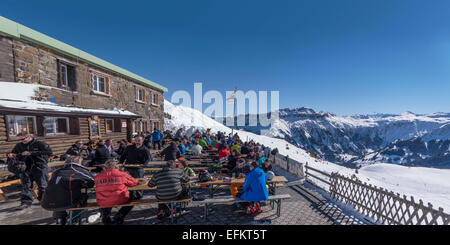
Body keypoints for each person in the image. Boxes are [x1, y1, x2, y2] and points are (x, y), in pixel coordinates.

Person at [41, 155, 95, 225]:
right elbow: (92, 181)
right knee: (82, 196)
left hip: (47, 202)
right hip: (68, 202)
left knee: (59, 194)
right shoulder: (77, 169)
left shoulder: (56, 171)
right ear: (78, 162)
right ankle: (74, 219)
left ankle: (60, 219)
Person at [8, 133, 53, 209]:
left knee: (42, 185)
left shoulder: (39, 144)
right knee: (26, 185)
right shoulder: (19, 145)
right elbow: (15, 153)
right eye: (20, 139)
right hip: (25, 167)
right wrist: (11, 154)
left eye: (23, 138)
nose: (22, 141)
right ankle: (25, 202)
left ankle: (44, 200)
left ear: (30, 137)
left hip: (39, 166)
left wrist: (31, 153)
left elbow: (49, 152)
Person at [94, 159, 139, 225]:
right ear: (117, 166)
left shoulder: (98, 176)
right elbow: (134, 183)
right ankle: (120, 215)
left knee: (107, 197)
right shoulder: (122, 174)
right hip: (120, 199)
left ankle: (106, 217)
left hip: (103, 200)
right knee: (134, 196)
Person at [119, 134, 152, 212]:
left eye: (139, 140)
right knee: (128, 182)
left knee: (139, 182)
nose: (137, 142)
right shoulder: (129, 147)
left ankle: (139, 195)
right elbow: (123, 156)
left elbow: (148, 159)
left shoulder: (145, 149)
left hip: (139, 168)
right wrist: (121, 163)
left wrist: (144, 165)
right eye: (136, 140)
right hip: (128, 167)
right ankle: (130, 195)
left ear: (142, 140)